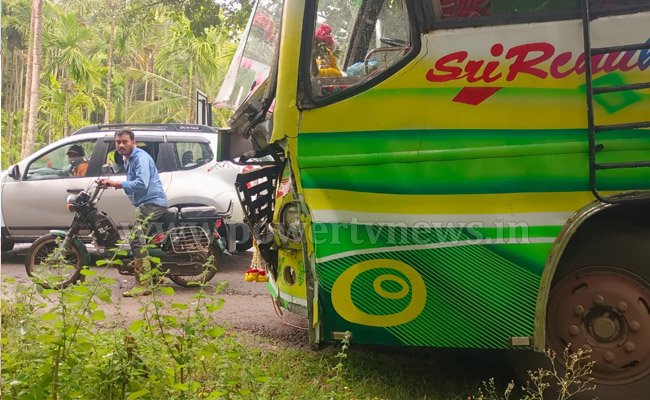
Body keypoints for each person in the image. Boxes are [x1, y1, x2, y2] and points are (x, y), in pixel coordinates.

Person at [96, 129, 168, 297]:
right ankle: (155, 277)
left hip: (153, 203)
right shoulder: (126, 158)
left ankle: (143, 284)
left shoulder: (140, 158)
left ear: (133, 143)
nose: (121, 145)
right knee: (147, 242)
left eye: (125, 142)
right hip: (145, 203)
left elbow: (142, 184)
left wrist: (116, 183)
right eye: (118, 142)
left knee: (136, 239)